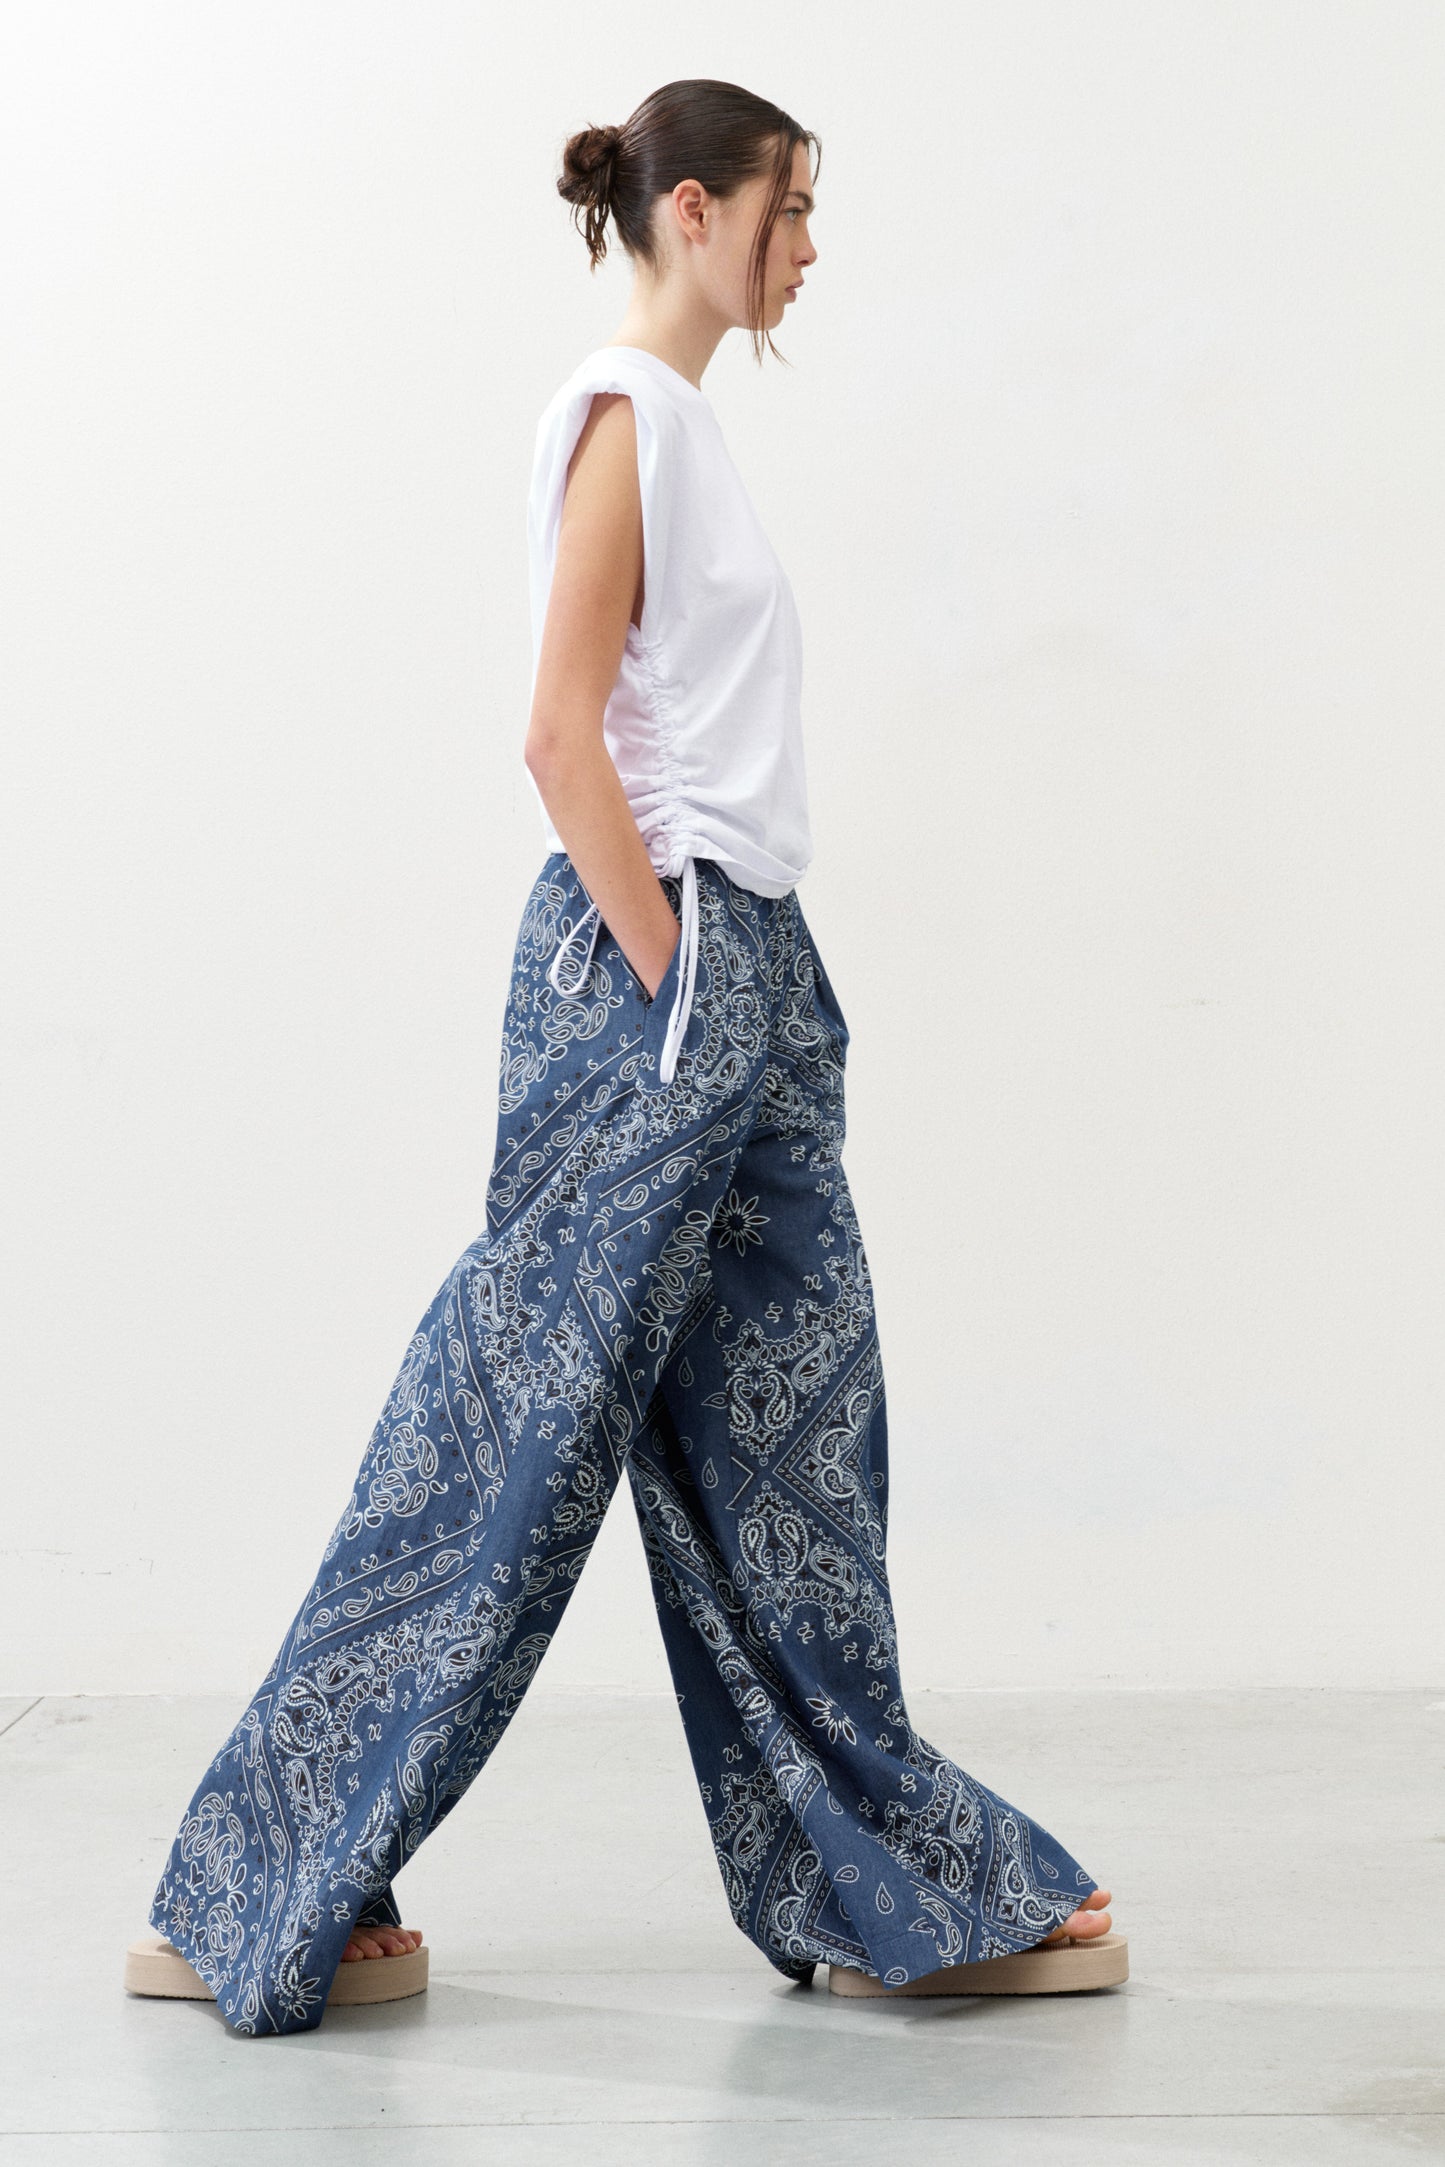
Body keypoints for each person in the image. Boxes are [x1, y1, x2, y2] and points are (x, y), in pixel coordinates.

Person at [124, 76, 1125, 2038]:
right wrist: (678, 984)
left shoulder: (688, 427)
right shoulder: (623, 418)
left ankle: (885, 1875)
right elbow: (557, 729)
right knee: (511, 1446)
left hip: (749, 963)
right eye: (788, 207)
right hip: (655, 970)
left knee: (793, 1440)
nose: (810, 247)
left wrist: (742, 985)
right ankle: (243, 1888)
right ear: (692, 211)